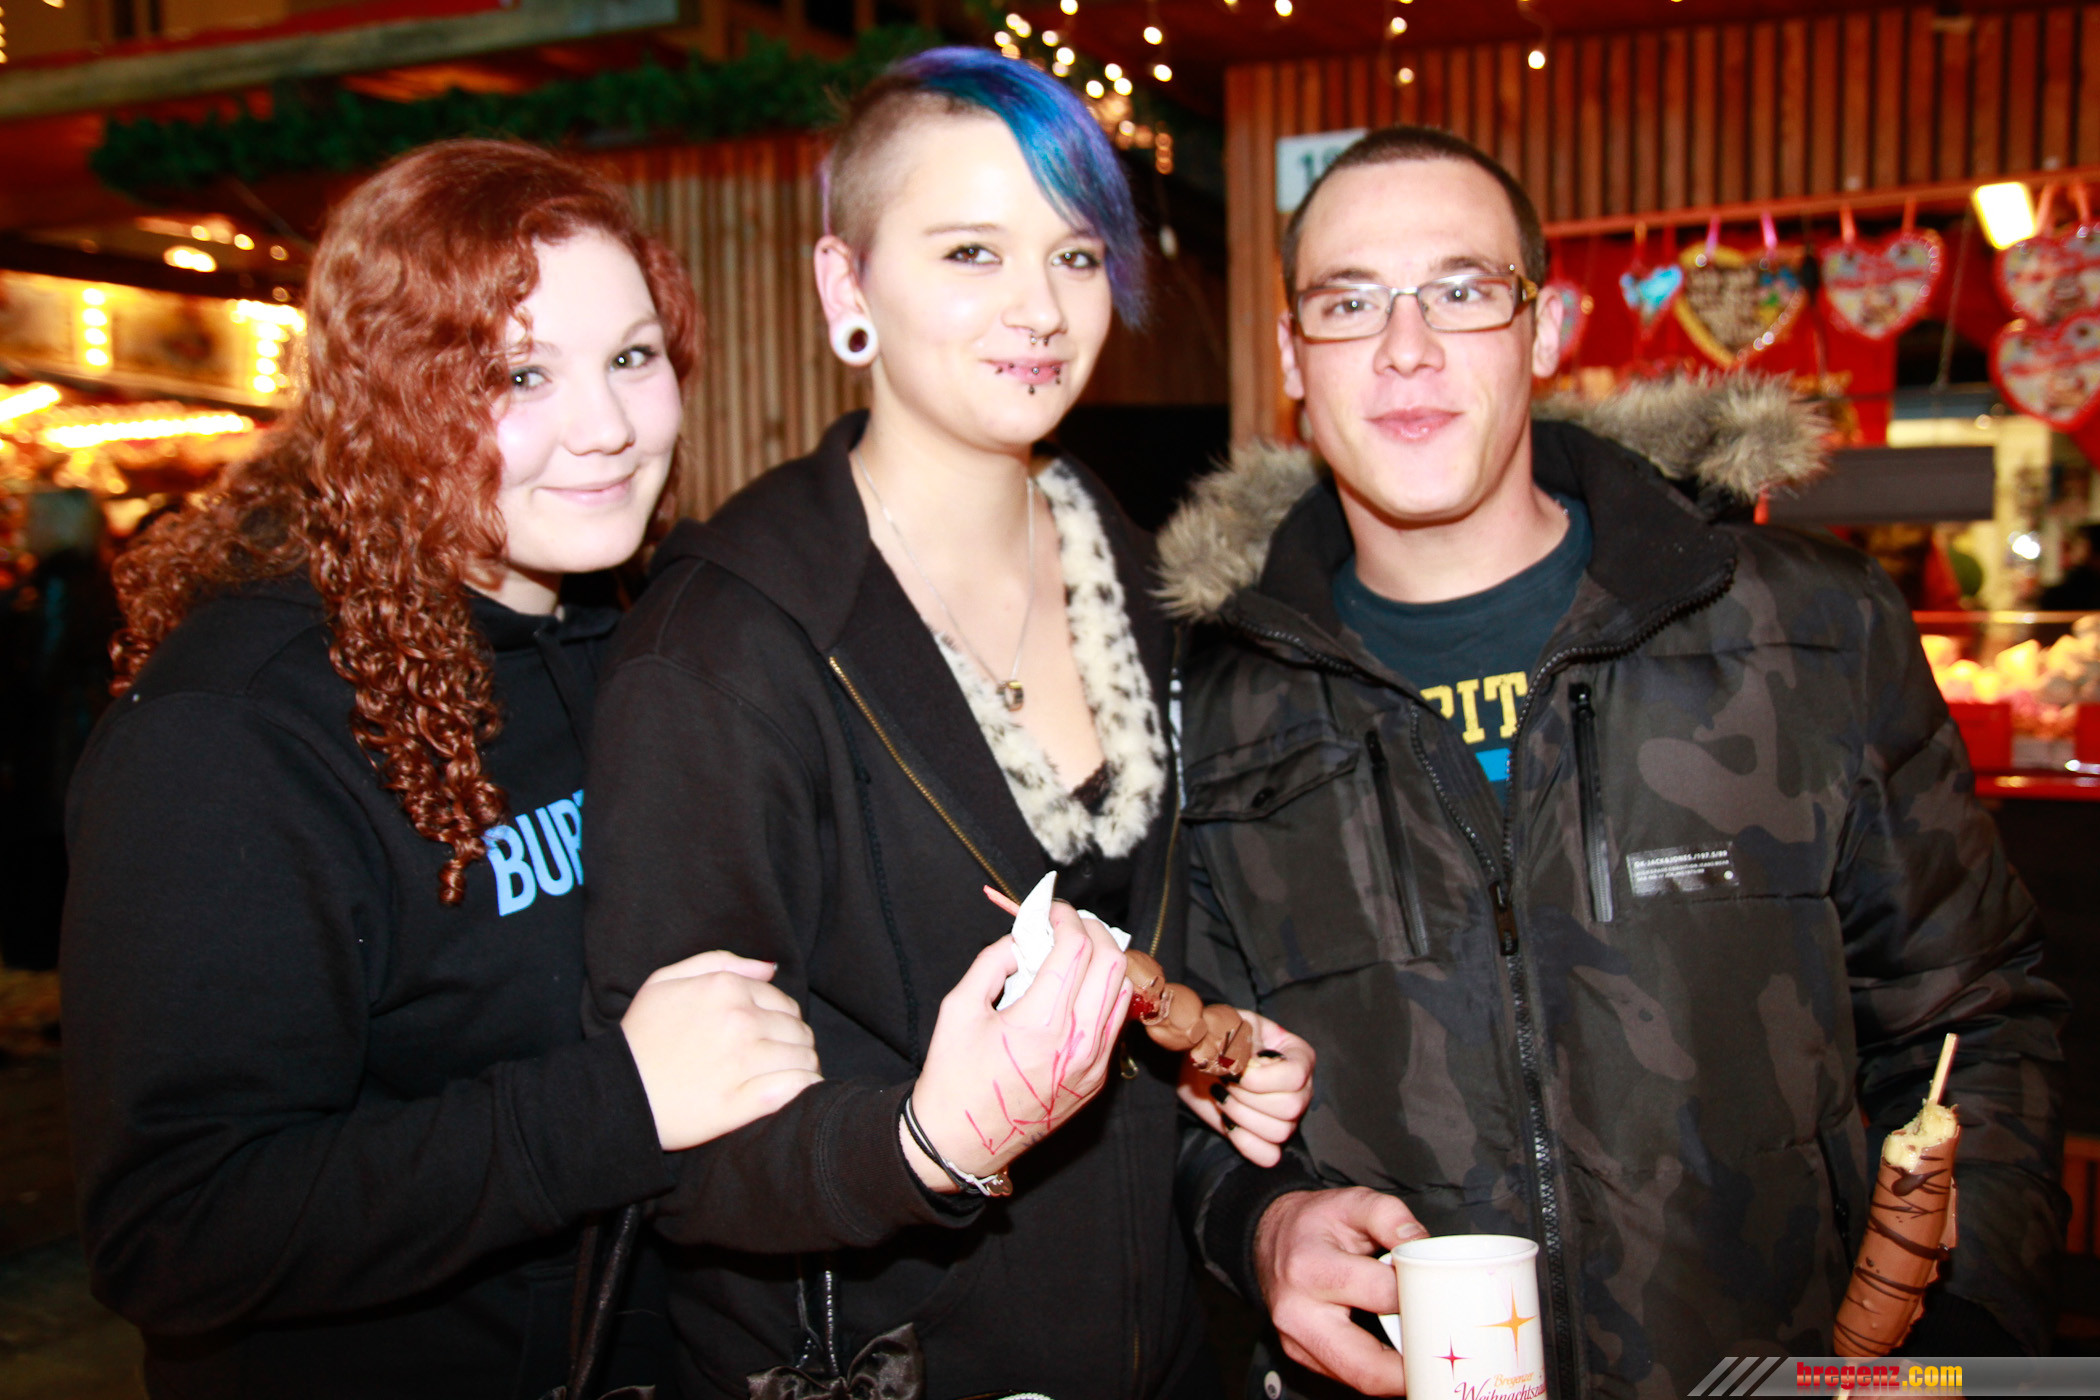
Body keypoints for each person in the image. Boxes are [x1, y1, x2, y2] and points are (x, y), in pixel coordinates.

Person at [1157, 126, 2067, 1398]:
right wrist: (1256, 1228)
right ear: (1294, 355)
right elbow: (1173, 1077)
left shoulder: (1806, 626)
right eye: (1350, 302)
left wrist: (1962, 1340)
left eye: (1462, 290)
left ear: (1540, 330)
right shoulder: (1208, 704)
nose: (1406, 346)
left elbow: (1975, 1012)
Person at [582, 48, 1314, 1400]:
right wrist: (925, 1144)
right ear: (845, 286)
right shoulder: (728, 642)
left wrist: (1218, 1069)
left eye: (1076, 254)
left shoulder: (1143, 578)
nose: (1041, 307)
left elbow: (1144, 974)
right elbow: (670, 1154)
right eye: (972, 251)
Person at [62, 139, 821, 1399]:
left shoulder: (639, 627)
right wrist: (615, 1103)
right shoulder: (232, 728)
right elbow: (176, 1225)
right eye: (518, 373)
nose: (607, 428)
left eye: (633, 357)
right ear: (389, 397)